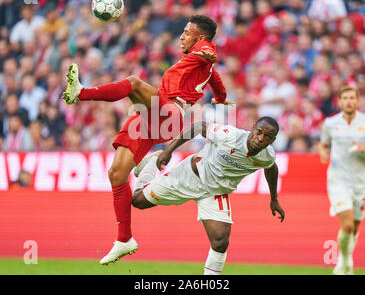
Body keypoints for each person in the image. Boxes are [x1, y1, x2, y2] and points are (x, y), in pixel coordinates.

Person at [62, 15, 233, 265]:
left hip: (168, 114)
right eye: (183, 31)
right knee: (117, 173)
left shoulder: (204, 51)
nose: (182, 36)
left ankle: (81, 93)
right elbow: (218, 87)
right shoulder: (202, 67)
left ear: (201, 38)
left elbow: (210, 54)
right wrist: (220, 99)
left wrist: (207, 52)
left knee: (133, 83)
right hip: (152, 116)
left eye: (187, 32)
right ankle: (124, 239)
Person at [131, 117, 285, 274]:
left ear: (273, 139)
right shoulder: (230, 135)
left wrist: (274, 199)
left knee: (220, 241)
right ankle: (151, 161)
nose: (261, 139)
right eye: (259, 132)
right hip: (189, 176)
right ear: (253, 128)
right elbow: (198, 126)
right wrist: (168, 150)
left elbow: (271, 168)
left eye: (267, 136)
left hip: (215, 192)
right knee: (138, 201)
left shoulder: (267, 156)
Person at [319, 86, 365, 275]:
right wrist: (323, 153)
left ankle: (345, 259)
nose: (348, 101)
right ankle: (344, 262)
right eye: (345, 98)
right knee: (346, 224)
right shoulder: (330, 123)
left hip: (361, 182)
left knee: (353, 228)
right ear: (339, 101)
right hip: (338, 181)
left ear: (357, 100)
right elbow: (324, 144)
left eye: (352, 98)